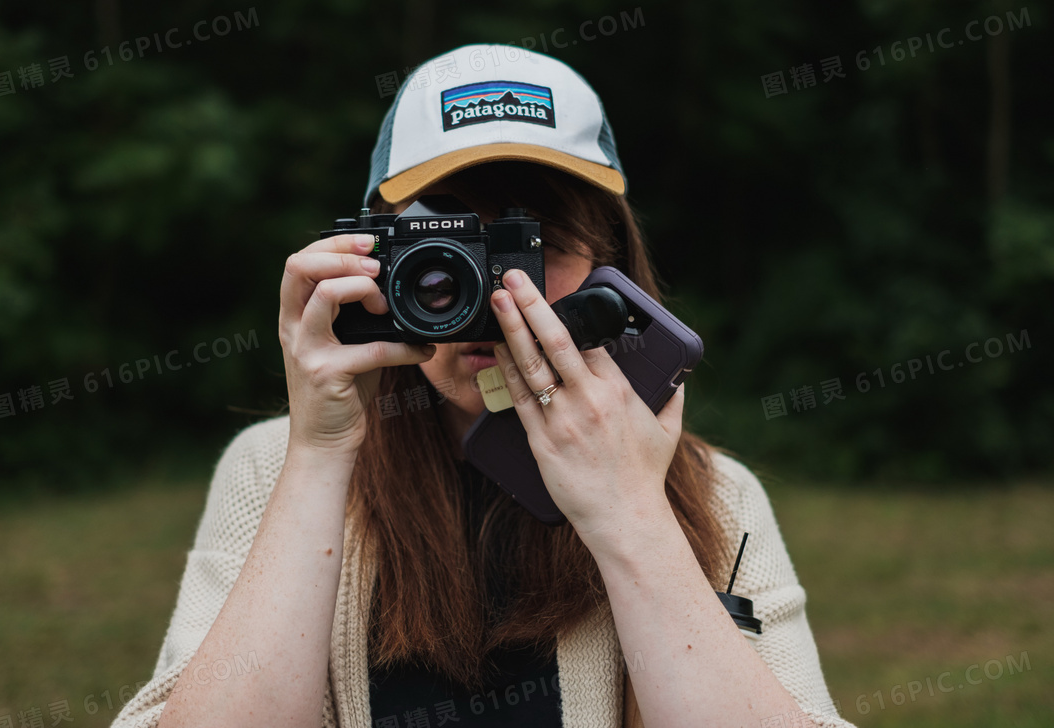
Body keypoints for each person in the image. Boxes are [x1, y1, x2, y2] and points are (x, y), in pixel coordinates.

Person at [111, 44, 855, 728]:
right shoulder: (274, 468)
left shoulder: (714, 494)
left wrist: (631, 514)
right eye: (447, 251)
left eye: (534, 247)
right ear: (367, 258)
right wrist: (319, 455)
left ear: (614, 274)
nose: (495, 295)